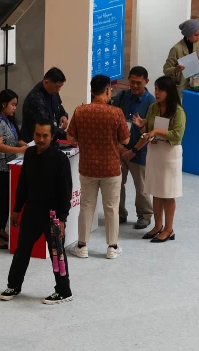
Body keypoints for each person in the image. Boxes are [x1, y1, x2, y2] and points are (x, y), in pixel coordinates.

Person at [0, 119, 73, 304]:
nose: (41, 139)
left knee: (57, 252)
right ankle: (14, 285)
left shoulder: (60, 160)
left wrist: (62, 219)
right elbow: (23, 184)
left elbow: (66, 191)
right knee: (22, 250)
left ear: (52, 136)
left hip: (53, 215)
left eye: (45, 136)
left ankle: (64, 290)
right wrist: (17, 208)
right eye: (38, 135)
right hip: (31, 211)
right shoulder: (30, 153)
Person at [66, 75, 130, 260]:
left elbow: (70, 138)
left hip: (87, 167)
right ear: (108, 89)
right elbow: (125, 140)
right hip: (110, 167)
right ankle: (112, 247)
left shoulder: (80, 111)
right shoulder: (116, 113)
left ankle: (82, 246)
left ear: (92, 90)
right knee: (111, 207)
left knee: (86, 206)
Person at [128, 76, 186, 243]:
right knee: (156, 191)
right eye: (156, 89)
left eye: (160, 90)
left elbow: (177, 135)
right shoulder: (153, 107)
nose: (157, 92)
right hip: (154, 152)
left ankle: (169, 229)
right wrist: (142, 126)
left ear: (169, 92)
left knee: (168, 193)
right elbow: (149, 128)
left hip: (169, 155)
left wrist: (156, 133)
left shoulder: (178, 111)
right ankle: (157, 225)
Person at [111, 66, 156, 230]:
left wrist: (134, 150)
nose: (135, 86)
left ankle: (144, 215)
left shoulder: (152, 103)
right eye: (132, 82)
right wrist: (120, 147)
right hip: (120, 150)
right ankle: (120, 213)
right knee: (116, 183)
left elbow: (150, 132)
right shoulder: (121, 97)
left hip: (140, 151)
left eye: (138, 83)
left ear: (146, 82)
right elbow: (113, 123)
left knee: (142, 186)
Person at [0, 89, 28, 249]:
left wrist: (21, 144)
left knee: (7, 199)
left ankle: (1, 228)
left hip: (7, 166)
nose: (14, 108)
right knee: (2, 200)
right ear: (4, 103)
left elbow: (10, 140)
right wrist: (19, 150)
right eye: (13, 105)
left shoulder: (8, 120)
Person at [163, 19, 199, 97]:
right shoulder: (176, 49)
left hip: (194, 87)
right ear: (188, 34)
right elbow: (166, 70)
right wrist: (176, 69)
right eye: (196, 35)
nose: (198, 37)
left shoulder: (197, 47)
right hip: (180, 89)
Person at [20, 67, 69, 143]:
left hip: (50, 138)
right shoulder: (35, 98)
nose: (58, 90)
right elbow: (45, 124)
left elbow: (59, 105)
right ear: (46, 82)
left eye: (60, 87)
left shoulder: (53, 91)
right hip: (35, 142)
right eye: (57, 87)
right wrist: (67, 135)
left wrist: (63, 115)